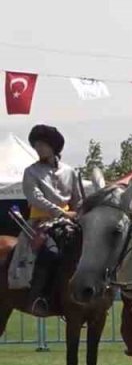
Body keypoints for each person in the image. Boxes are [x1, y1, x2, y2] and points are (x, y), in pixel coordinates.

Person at [21, 124, 81, 313]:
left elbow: (78, 200)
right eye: (36, 145)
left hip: (69, 222)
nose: (38, 149)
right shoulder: (31, 172)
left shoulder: (70, 172)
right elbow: (35, 198)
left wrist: (77, 215)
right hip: (41, 223)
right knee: (50, 252)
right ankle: (39, 297)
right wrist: (62, 213)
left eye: (42, 145)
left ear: (53, 146)